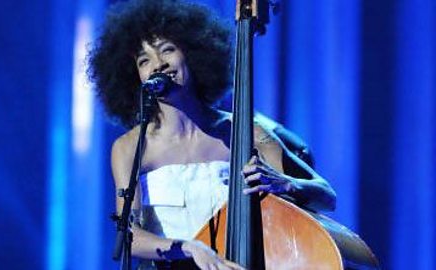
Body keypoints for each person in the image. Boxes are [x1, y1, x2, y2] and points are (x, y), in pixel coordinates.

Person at [88, 0, 336, 269]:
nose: (158, 65)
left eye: (167, 50)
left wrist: (285, 183)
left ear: (193, 55)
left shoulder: (244, 132)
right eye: (144, 60)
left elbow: (326, 196)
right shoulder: (129, 148)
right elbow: (130, 237)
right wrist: (189, 248)